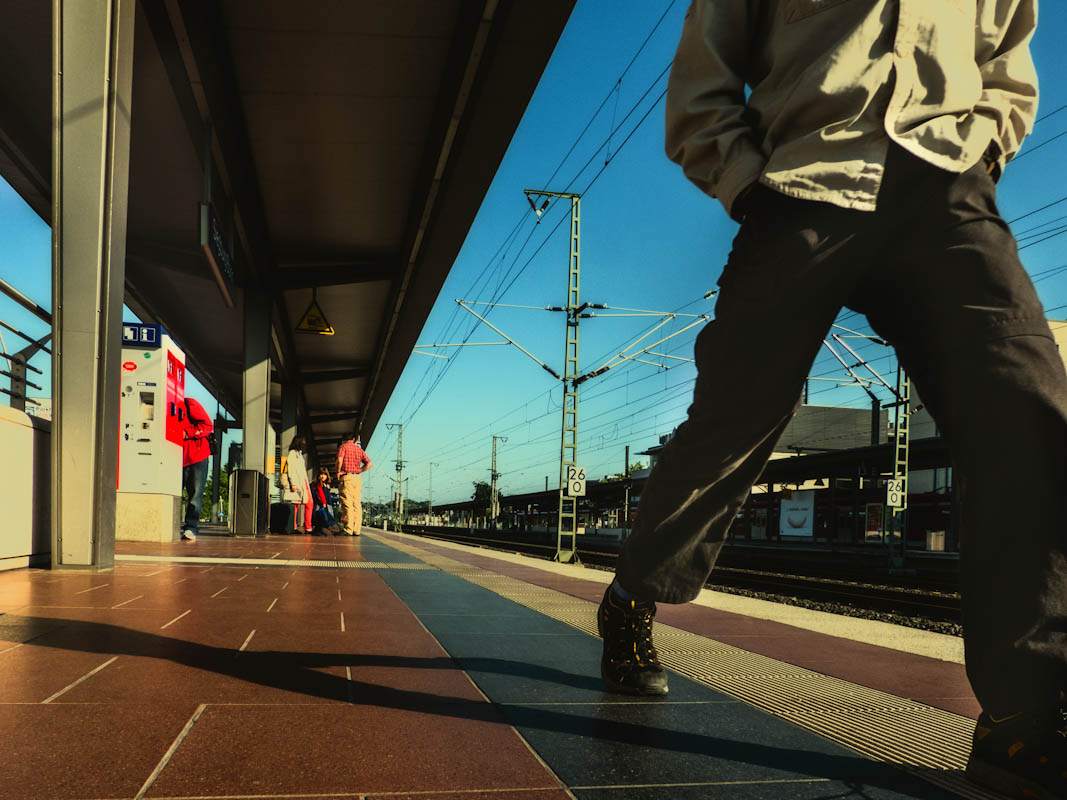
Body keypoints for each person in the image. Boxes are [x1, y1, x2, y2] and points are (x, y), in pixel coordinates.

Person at [598, 2, 1067, 798]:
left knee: (1027, 414)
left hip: (947, 192)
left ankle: (1023, 711)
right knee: (735, 422)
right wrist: (748, 187)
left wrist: (983, 149)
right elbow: (702, 80)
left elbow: (1007, 64)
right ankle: (631, 597)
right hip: (802, 186)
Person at [180, 397, 214, 541]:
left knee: (195, 495)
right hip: (175, 456)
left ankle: (191, 527)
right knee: (174, 494)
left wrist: (187, 433)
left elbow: (208, 425)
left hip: (197, 456)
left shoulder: (189, 403)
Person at [336, 433, 371, 536]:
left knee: (347, 502)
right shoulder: (359, 449)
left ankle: (348, 528)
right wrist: (360, 470)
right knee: (356, 503)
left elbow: (339, 460)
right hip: (357, 478)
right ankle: (356, 529)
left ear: (343, 439)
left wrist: (338, 471)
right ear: (354, 439)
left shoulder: (343, 447)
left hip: (347, 477)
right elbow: (369, 464)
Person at [282, 436, 312, 534]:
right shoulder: (292, 454)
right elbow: (291, 470)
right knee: (296, 505)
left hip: (303, 482)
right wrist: (293, 483)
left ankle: (306, 527)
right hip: (298, 483)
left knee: (307, 503)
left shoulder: (299, 454)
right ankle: (294, 527)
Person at [311, 467, 341, 535]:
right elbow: (321, 494)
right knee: (321, 517)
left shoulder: (326, 485)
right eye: (321, 474)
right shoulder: (319, 485)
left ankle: (328, 528)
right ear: (318, 475)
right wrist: (324, 503)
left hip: (328, 504)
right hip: (321, 504)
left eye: (325, 474)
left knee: (328, 517)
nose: (323, 476)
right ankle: (320, 528)